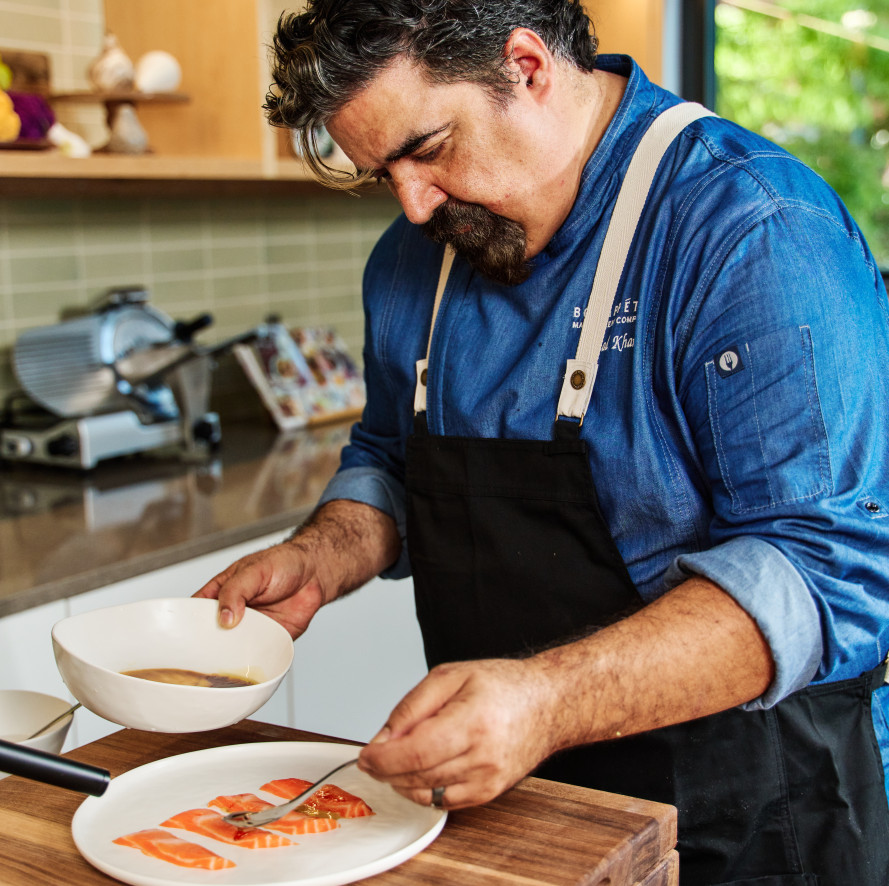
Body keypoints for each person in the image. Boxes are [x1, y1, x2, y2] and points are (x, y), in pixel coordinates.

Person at [196, 1, 889, 882]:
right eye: (384, 176)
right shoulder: (412, 261)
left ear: (526, 66)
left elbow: (827, 568)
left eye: (427, 150)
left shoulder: (750, 228)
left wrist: (548, 699)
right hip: (512, 805)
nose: (411, 206)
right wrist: (322, 555)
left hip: (755, 809)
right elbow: (388, 458)